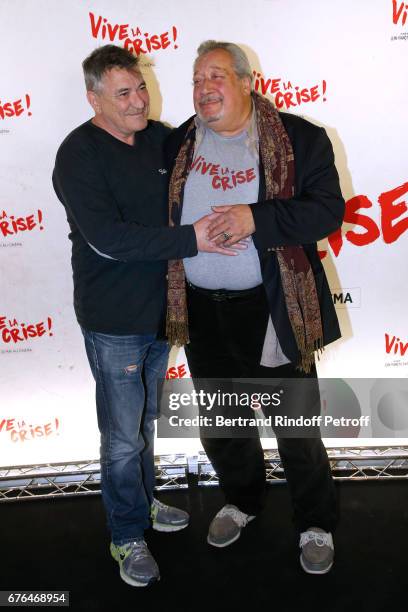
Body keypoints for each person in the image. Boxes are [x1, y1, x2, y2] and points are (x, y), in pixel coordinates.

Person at [52, 44, 241, 588]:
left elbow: (214, 147)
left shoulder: (159, 136)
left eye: (140, 89)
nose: (138, 102)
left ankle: (144, 501)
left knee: (143, 426)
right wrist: (194, 238)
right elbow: (108, 240)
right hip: (114, 319)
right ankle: (126, 533)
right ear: (95, 99)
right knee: (121, 436)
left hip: (164, 312)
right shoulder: (78, 154)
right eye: (123, 94)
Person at [165, 40, 345, 575]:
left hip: (271, 310)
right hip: (200, 311)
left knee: (295, 426)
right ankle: (242, 501)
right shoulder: (175, 145)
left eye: (216, 76)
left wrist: (256, 219)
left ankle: (316, 521)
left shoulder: (299, 138)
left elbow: (326, 212)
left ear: (248, 81)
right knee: (222, 422)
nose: (204, 88)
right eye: (197, 79)